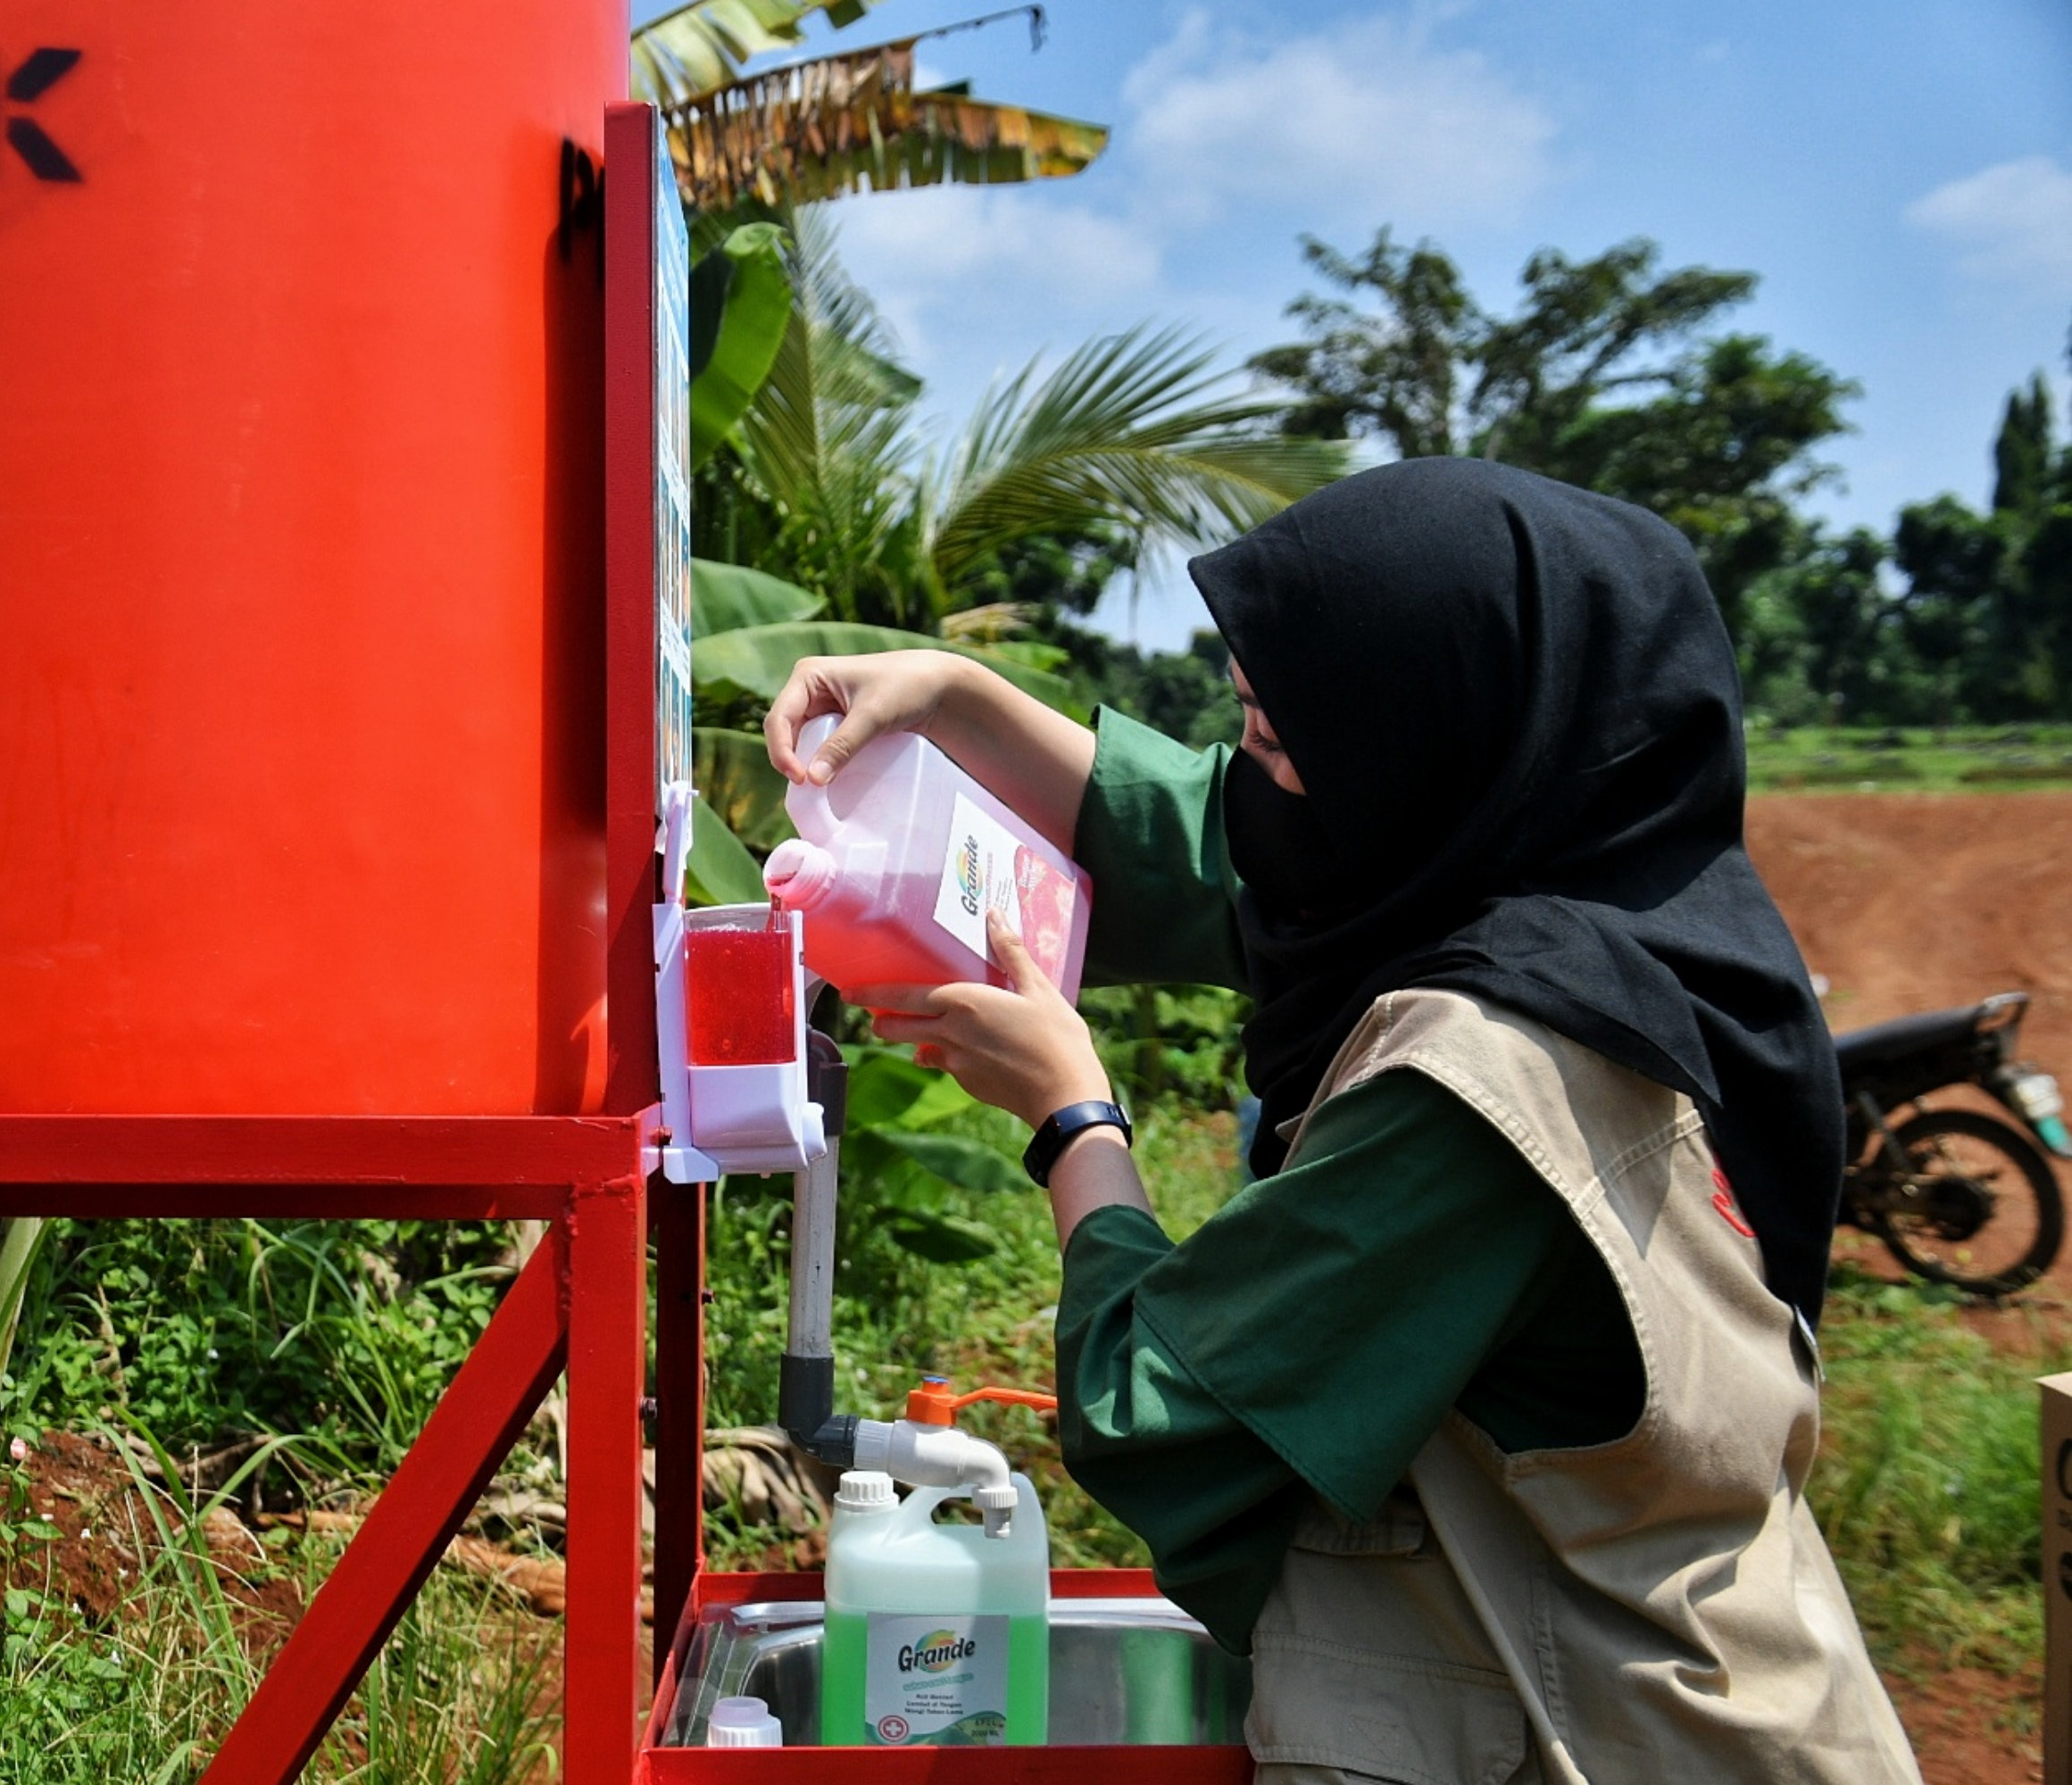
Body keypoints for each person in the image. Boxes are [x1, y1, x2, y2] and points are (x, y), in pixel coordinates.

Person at [764, 458, 1922, 1783]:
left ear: (1424, 755)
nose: (1249, 773)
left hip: (1589, 1738)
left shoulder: (1490, 1081)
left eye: (1275, 737)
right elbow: (1231, 845)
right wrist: (954, 693)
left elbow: (1163, 1419)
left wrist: (1072, 1120)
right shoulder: (1598, 903)